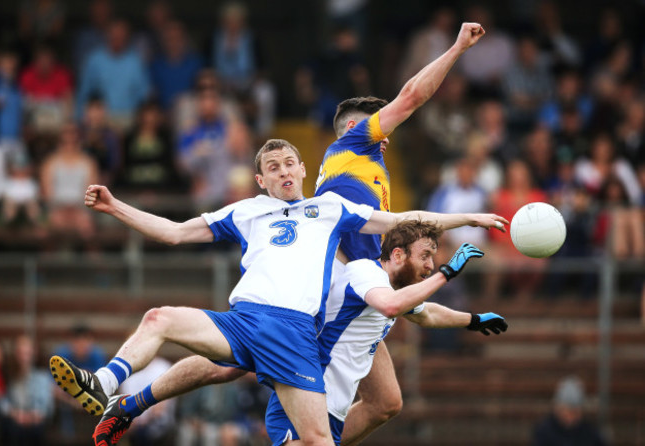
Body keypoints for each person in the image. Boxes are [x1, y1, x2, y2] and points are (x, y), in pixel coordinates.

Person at [51, 138, 508, 446]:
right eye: (273, 167)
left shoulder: (330, 208)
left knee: (318, 435)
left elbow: (399, 220)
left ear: (304, 169)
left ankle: (129, 404)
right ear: (261, 180)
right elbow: (172, 232)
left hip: (294, 333)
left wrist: (469, 219)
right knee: (159, 318)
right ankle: (105, 385)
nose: (284, 172)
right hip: (244, 318)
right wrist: (115, 207)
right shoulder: (248, 211)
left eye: (290, 163)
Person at [264, 219, 508, 445]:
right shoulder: (366, 272)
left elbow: (427, 314)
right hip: (304, 400)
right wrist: (447, 273)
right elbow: (391, 306)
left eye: (433, 258)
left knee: (387, 404)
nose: (430, 266)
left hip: (331, 411)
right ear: (398, 255)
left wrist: (473, 320)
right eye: (425, 256)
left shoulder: (392, 289)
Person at [531, 375, 607, 446]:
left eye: (575, 412)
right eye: (567, 411)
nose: (570, 417)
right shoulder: (544, 432)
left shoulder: (589, 432)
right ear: (558, 409)